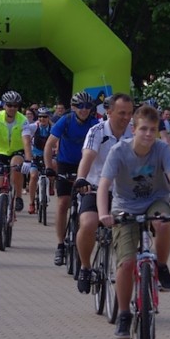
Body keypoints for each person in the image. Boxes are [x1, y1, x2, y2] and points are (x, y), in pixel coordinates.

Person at [97, 105, 170, 339]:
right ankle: (124, 315)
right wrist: (103, 214)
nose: (149, 134)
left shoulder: (161, 149)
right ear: (134, 129)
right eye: (144, 129)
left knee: (163, 223)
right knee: (127, 263)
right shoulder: (118, 151)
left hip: (154, 201)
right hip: (125, 207)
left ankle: (161, 266)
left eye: (153, 129)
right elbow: (104, 185)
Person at [74, 93, 134, 294]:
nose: (126, 117)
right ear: (109, 112)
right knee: (88, 223)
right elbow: (88, 156)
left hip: (122, 192)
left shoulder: (134, 132)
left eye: (129, 113)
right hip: (94, 187)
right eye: (122, 113)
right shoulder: (97, 130)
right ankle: (85, 267)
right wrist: (81, 178)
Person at [44, 91, 99, 266]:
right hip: (65, 164)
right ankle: (60, 244)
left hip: (86, 165)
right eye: (80, 106)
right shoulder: (65, 120)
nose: (84, 109)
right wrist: (48, 167)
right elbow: (49, 145)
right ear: (73, 107)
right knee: (63, 203)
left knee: (87, 205)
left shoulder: (95, 123)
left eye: (88, 106)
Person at [0, 91, 33, 239]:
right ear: (4, 105)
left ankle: (18, 196)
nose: (12, 108)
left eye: (16, 106)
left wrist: (28, 160)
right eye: (9, 105)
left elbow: (26, 141)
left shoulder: (23, 120)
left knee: (16, 166)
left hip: (16, 151)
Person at [27, 107, 53, 214]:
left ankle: (51, 184)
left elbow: (58, 142)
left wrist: (56, 149)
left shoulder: (53, 128)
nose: (42, 119)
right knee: (33, 176)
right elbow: (26, 139)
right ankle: (31, 203)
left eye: (45, 117)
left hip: (48, 156)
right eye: (40, 117)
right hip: (35, 156)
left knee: (54, 165)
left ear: (48, 117)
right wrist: (28, 152)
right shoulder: (34, 127)